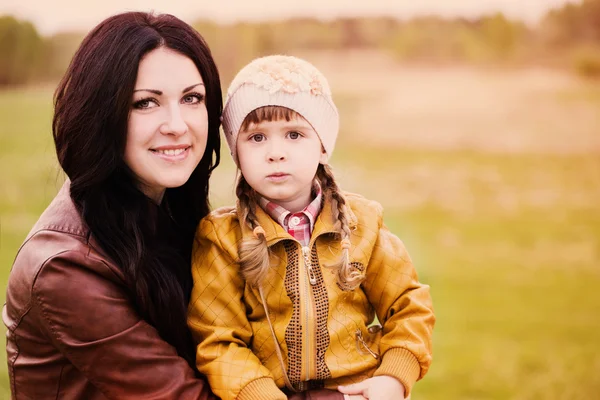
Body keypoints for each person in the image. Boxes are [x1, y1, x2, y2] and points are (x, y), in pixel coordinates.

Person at [187, 55, 436, 400]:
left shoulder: (362, 223)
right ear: (236, 151)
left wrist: (393, 379)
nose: (276, 152)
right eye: (257, 138)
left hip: (357, 393)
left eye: (294, 134)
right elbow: (218, 339)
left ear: (322, 146)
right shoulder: (222, 238)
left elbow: (408, 305)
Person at [3, 12, 223, 399]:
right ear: (102, 114)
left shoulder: (171, 210)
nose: (177, 124)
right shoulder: (65, 267)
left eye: (192, 98)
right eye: (145, 103)